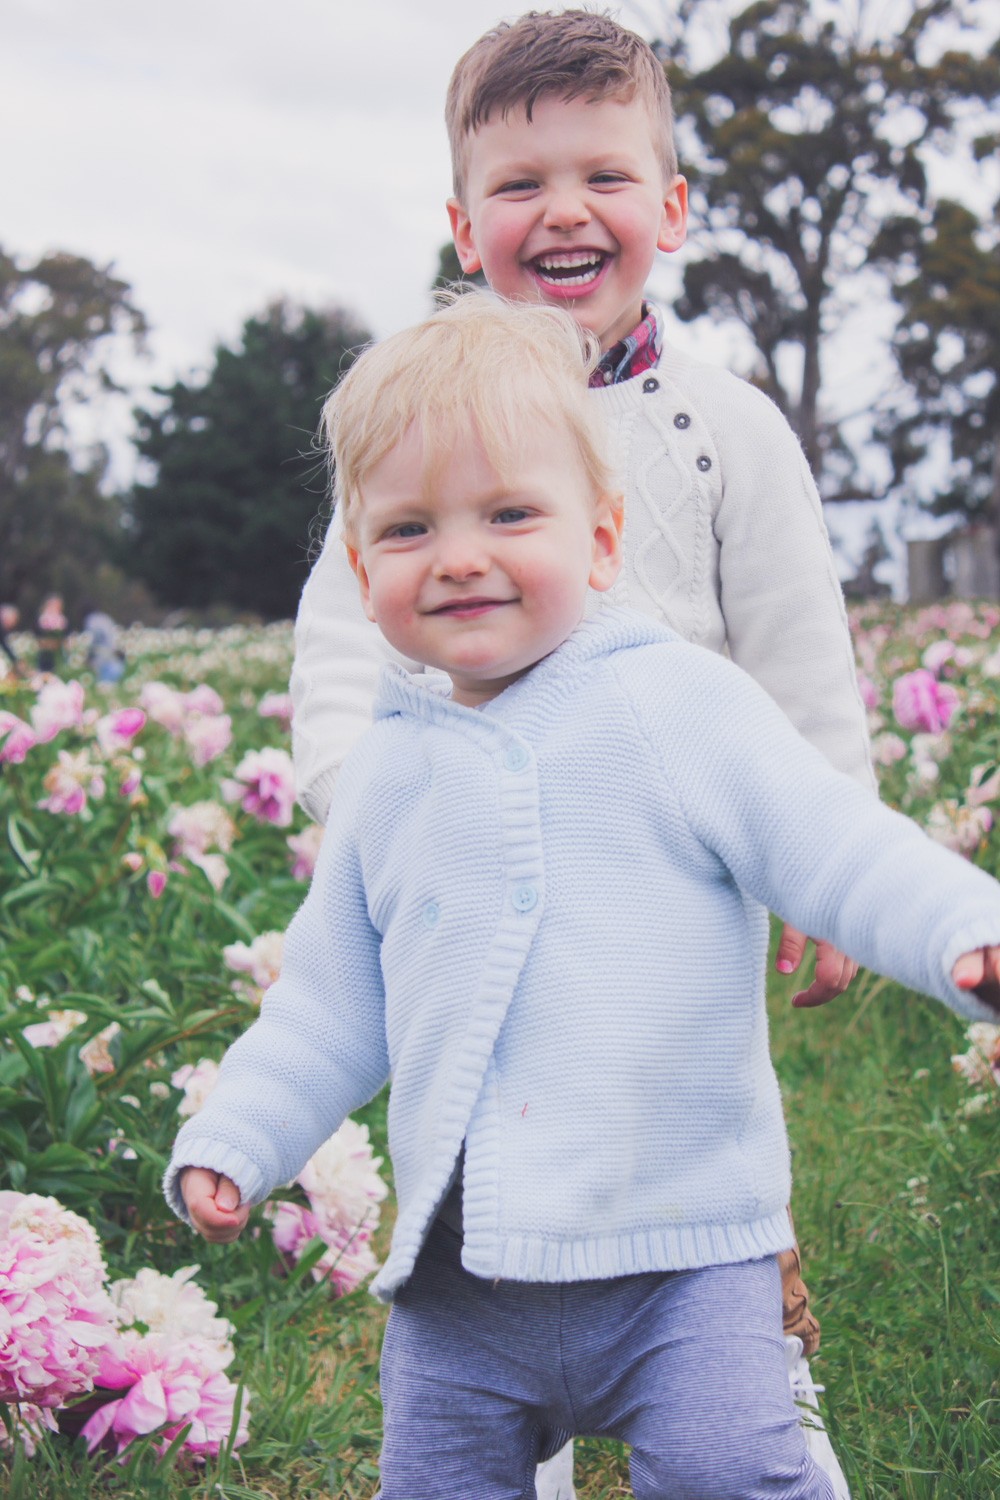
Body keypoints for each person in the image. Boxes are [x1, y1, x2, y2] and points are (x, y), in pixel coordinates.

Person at [166, 296, 1000, 1500]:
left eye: (509, 513)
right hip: (462, 1289)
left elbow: (840, 849)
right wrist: (241, 1139)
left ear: (602, 540)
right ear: (361, 569)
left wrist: (966, 934)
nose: (459, 555)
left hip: (684, 1253)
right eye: (408, 528)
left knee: (728, 1469)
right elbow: (331, 1002)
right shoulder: (388, 774)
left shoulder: (675, 706)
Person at [287, 11, 870, 1493]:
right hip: (472, 897)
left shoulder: (722, 431)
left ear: (670, 208)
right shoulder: (415, 417)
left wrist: (832, 860)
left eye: (604, 174)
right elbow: (342, 641)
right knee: (482, 1148)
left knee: (703, 1136)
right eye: (519, 180)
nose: (563, 211)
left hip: (675, 887)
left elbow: (803, 646)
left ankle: (747, 1390)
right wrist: (370, 810)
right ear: (462, 220)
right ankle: (505, 1432)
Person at [35, 594, 67, 674]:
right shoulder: (42, 620)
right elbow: (38, 637)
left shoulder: (62, 620)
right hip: (44, 655)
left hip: (57, 655)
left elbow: (63, 639)